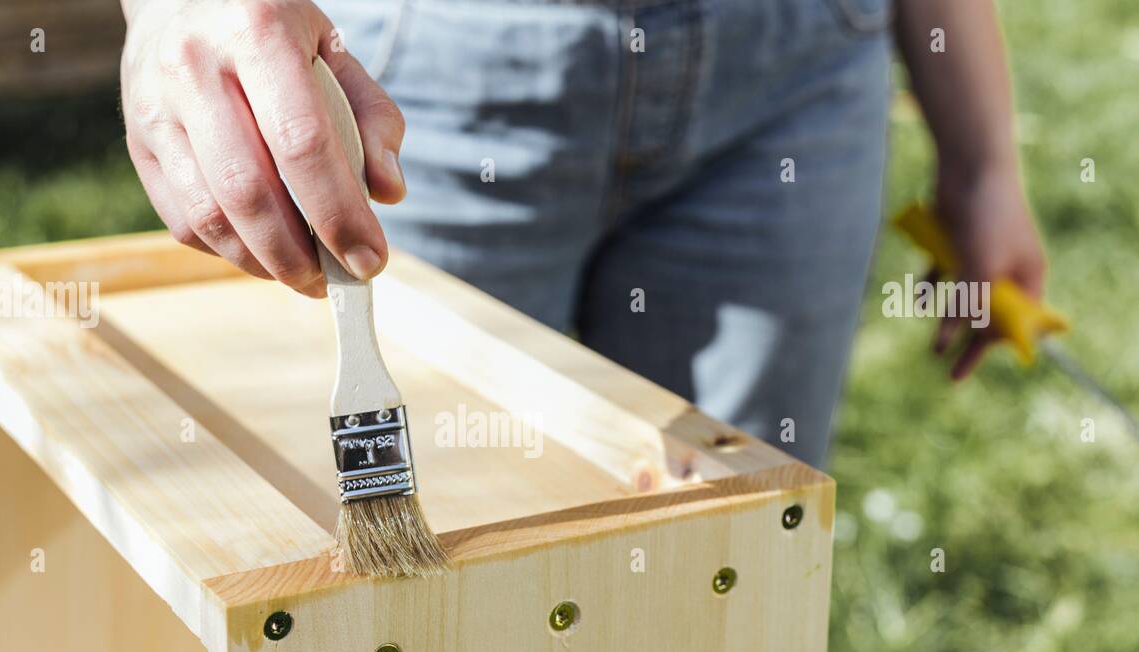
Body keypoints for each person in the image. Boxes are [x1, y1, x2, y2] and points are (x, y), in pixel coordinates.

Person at [118, 0, 1045, 467]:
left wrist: (983, 159)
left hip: (792, 80)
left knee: (728, 565)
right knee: (412, 595)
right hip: (430, 67)